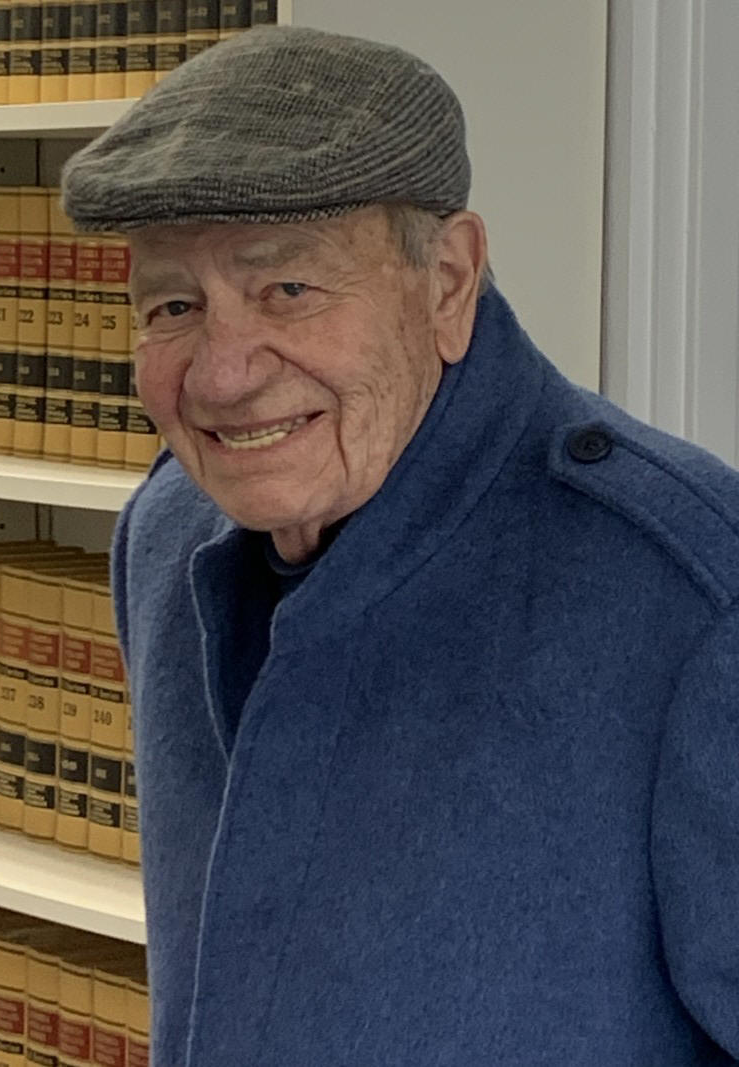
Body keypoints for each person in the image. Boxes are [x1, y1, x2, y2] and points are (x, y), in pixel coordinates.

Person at [61, 25, 739, 1067]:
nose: (222, 375)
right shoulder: (166, 533)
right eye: (174, 305)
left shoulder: (690, 590)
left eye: (288, 289)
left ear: (448, 281)